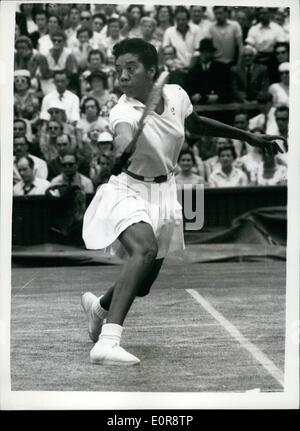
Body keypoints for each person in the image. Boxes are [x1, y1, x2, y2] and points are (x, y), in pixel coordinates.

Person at [81, 38, 285, 365]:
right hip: (127, 190)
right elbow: (122, 135)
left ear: (151, 70)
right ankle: (108, 340)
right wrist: (122, 149)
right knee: (143, 250)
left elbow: (197, 124)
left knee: (143, 283)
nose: (121, 77)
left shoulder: (176, 94)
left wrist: (249, 136)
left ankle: (100, 307)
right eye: (117, 71)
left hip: (165, 192)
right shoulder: (122, 110)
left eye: (130, 69)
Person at [186, 38, 233, 104]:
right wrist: (193, 96)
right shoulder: (193, 70)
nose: (204, 54)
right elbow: (189, 89)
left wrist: (218, 96)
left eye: (207, 51)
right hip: (200, 105)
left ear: (212, 53)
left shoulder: (222, 68)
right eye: (202, 51)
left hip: (219, 105)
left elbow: (227, 89)